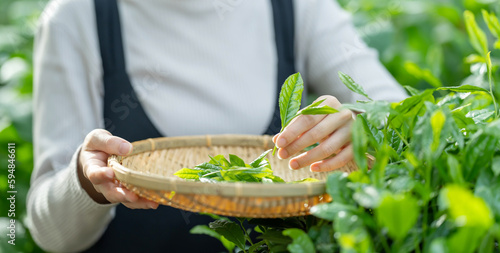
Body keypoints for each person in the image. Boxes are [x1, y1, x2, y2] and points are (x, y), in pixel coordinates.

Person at [26, 0, 407, 252]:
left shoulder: (297, 7)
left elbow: (403, 116)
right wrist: (84, 180)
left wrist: (362, 122)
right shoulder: (76, 16)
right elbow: (48, 231)